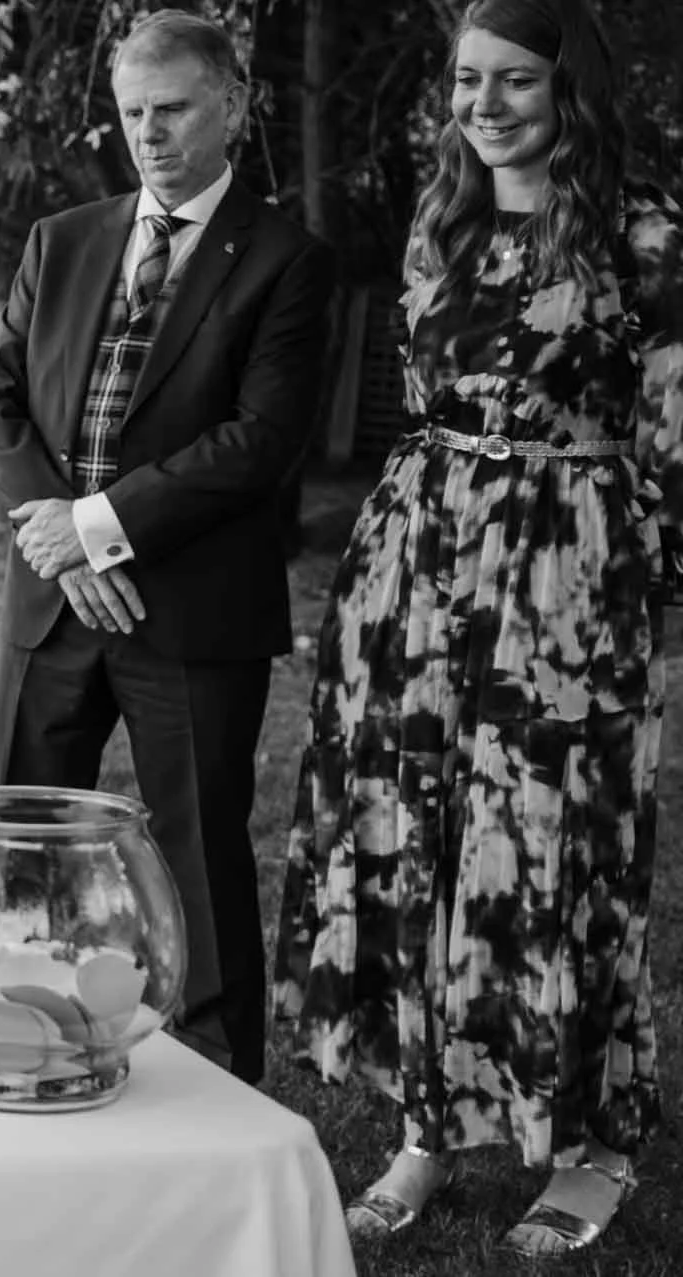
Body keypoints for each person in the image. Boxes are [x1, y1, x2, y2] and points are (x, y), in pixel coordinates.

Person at [273, 0, 681, 1256]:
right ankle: (426, 1127)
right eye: (467, 78)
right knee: (416, 843)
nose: (484, 103)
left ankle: (596, 1140)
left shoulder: (649, 232)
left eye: (514, 79)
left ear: (573, 89)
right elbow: (427, 400)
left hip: (570, 579)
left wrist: (655, 604)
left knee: (556, 853)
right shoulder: (440, 218)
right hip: (418, 567)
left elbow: (675, 431)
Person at [0, 9, 335, 1085]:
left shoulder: (287, 260)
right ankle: (13, 1031)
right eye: (133, 112)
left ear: (233, 105)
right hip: (54, 599)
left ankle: (218, 1073)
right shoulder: (64, 238)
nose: (151, 133)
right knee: (23, 829)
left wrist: (97, 529)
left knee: (199, 846)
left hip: (191, 602)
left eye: (172, 109)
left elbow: (260, 441)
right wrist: (66, 546)